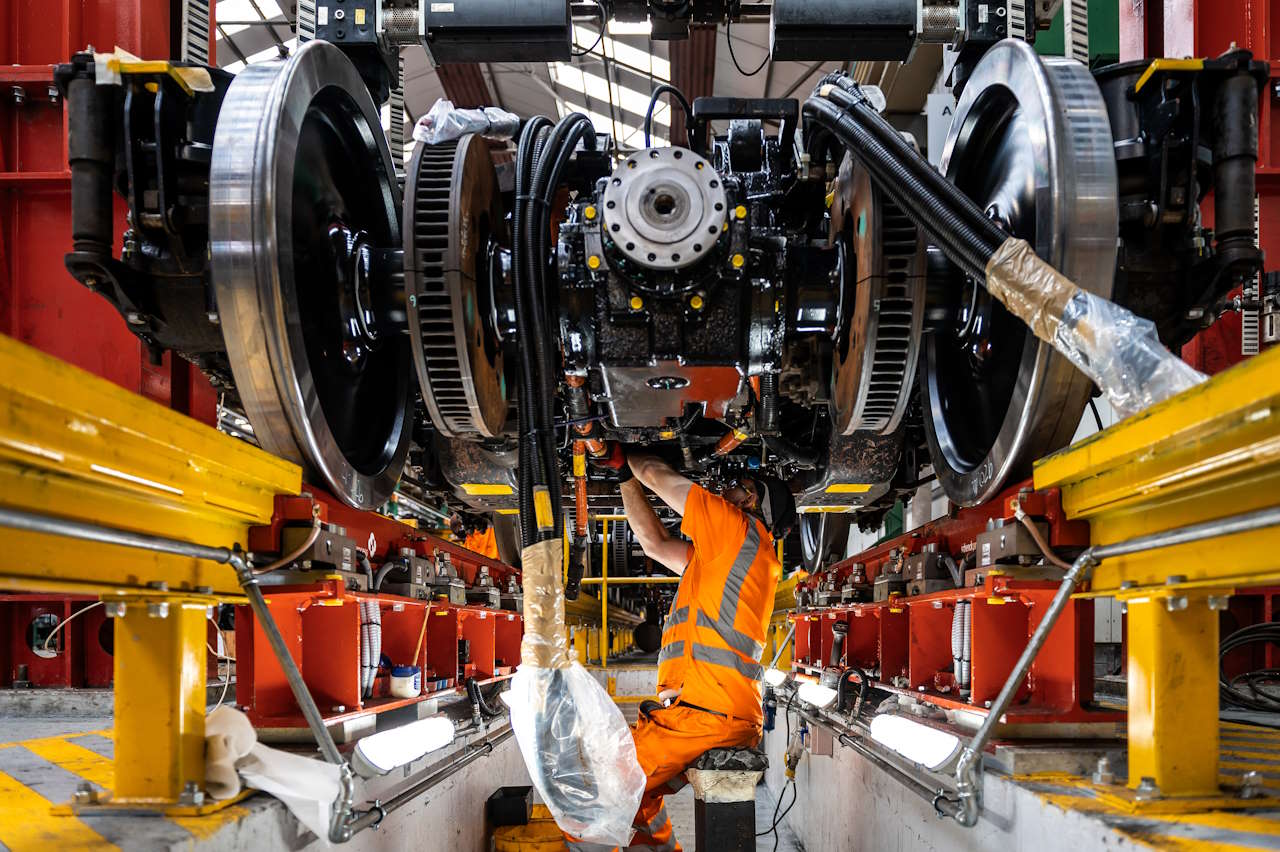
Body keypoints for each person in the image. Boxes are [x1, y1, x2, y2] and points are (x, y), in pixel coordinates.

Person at [567, 443, 796, 852]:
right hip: (714, 716)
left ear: (754, 500)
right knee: (639, 796)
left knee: (592, 788)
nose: (727, 492)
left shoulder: (736, 530)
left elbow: (657, 474)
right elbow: (653, 543)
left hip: (705, 717)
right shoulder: (726, 557)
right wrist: (622, 475)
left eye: (739, 487)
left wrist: (617, 449)